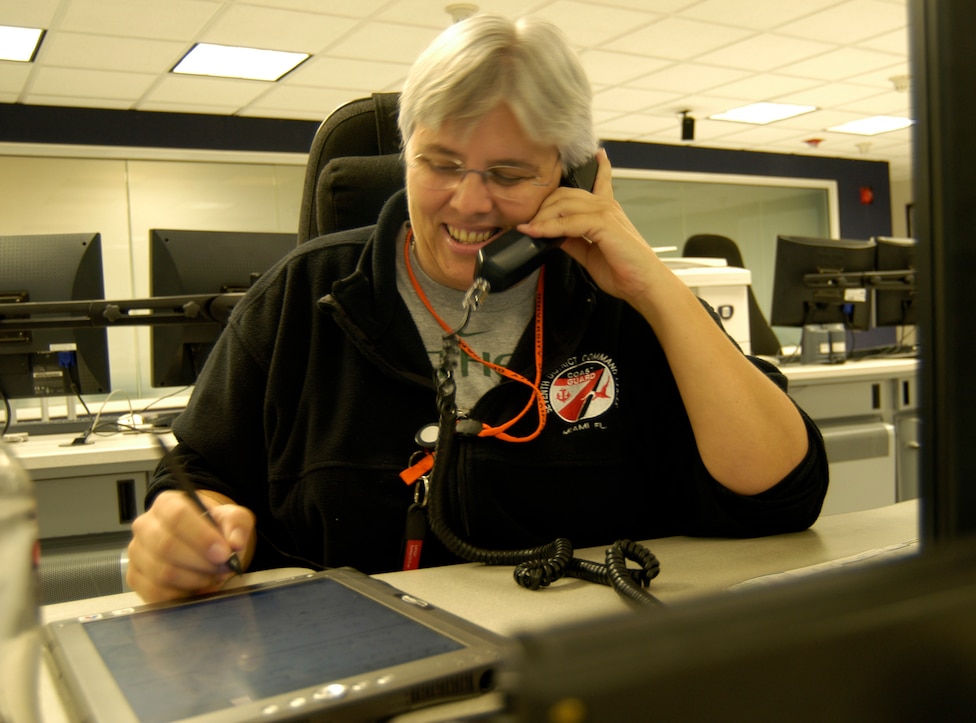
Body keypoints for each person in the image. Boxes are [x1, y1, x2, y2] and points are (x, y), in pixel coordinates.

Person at [127, 13, 828, 603]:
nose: (469, 201)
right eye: (440, 163)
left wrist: (654, 287)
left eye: (509, 173)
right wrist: (190, 526)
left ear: (573, 173)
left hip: (571, 680)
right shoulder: (302, 298)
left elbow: (779, 494)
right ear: (406, 155)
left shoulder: (618, 309)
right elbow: (195, 477)